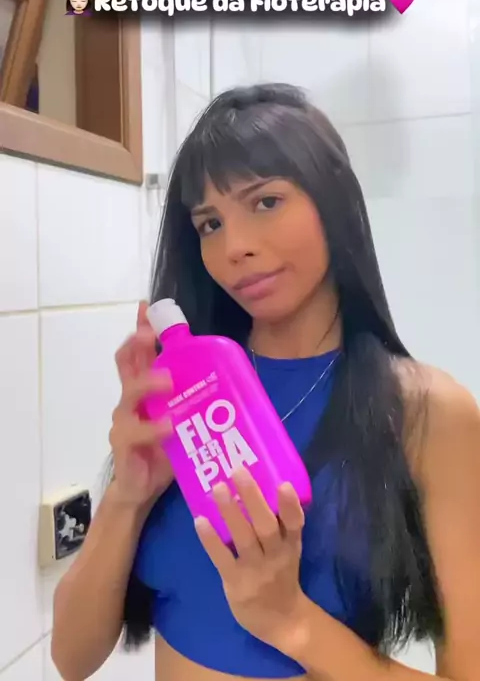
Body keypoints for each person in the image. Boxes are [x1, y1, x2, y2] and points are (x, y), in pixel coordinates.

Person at [51, 84, 480, 681]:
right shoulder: (191, 392)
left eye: (266, 202)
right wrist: (129, 493)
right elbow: (70, 659)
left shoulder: (428, 412)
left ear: (333, 202)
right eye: (209, 223)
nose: (235, 248)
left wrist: (291, 620)